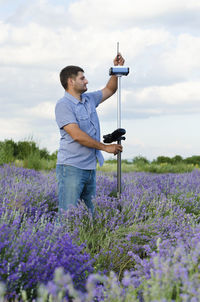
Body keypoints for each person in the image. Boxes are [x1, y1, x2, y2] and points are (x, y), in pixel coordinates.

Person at [55, 53, 125, 216]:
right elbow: (77, 135)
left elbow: (110, 89)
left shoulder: (89, 99)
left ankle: (86, 242)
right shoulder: (63, 105)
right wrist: (104, 147)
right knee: (67, 215)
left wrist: (115, 70)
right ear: (71, 81)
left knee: (88, 215)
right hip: (71, 167)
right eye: (82, 78)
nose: (86, 81)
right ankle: (60, 241)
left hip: (89, 167)